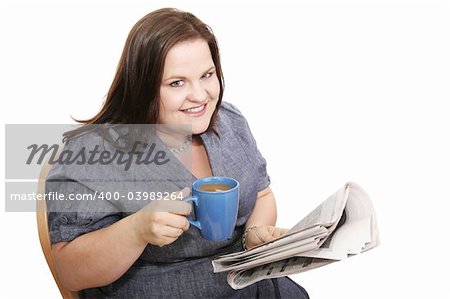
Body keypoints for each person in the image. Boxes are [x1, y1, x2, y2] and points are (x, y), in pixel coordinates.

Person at [46, 8, 310, 298]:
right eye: (176, 83)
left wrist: (254, 232)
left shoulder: (229, 122)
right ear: (142, 87)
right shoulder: (93, 152)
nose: (200, 95)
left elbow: (261, 194)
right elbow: (70, 272)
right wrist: (136, 230)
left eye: (207, 75)